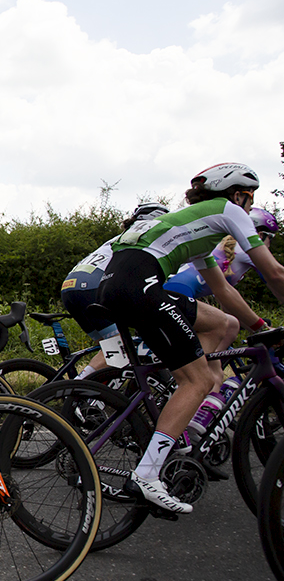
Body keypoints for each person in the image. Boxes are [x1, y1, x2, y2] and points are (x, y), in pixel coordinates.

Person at [97, 163, 284, 514]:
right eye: (250, 198)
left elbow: (222, 290)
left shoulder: (195, 226)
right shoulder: (228, 210)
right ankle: (147, 474)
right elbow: (273, 271)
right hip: (139, 285)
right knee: (197, 380)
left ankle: (166, 424)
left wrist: (258, 326)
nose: (249, 205)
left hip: (116, 285)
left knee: (219, 329)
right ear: (240, 194)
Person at [61, 203, 172, 378]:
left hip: (71, 286)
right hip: (92, 286)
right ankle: (76, 388)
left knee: (110, 349)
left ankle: (98, 395)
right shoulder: (144, 239)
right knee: (121, 347)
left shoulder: (122, 236)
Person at [164, 207, 279, 303]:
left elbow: (226, 300)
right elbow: (277, 278)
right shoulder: (246, 251)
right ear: (260, 235)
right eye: (271, 237)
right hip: (179, 292)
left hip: (171, 288)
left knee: (231, 323)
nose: (271, 241)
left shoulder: (223, 244)